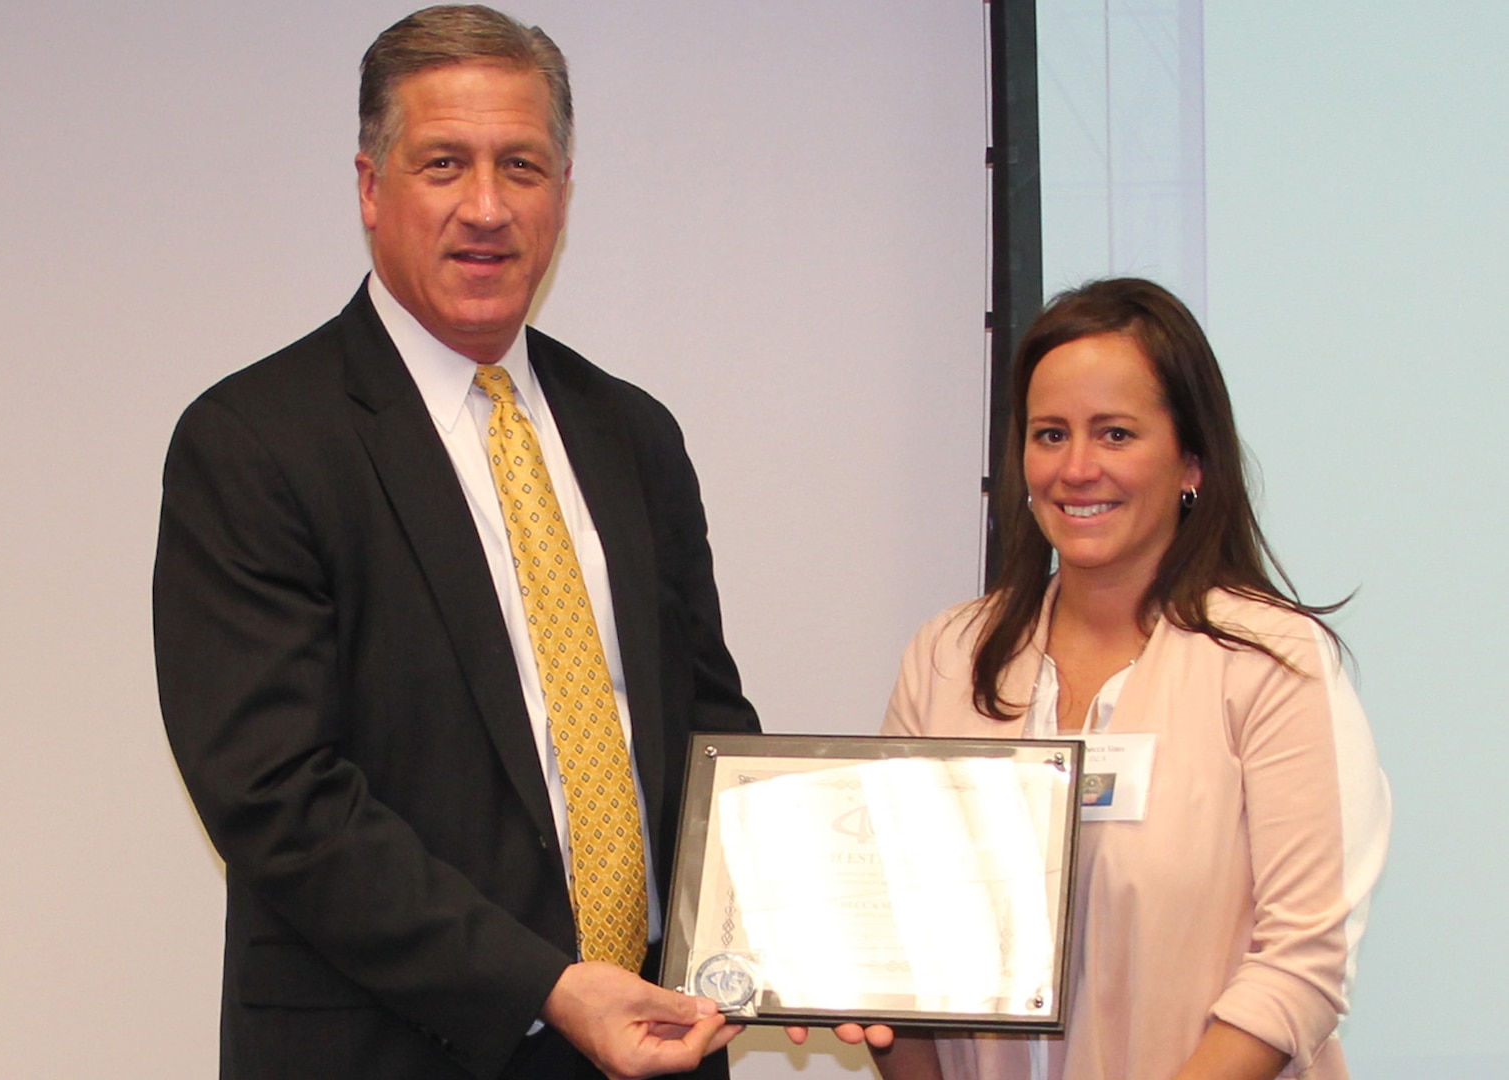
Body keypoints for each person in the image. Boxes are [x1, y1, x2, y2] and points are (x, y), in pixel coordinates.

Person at [152, 7, 759, 1079]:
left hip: (653, 1044)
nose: (487, 207)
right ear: (370, 186)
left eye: (521, 165)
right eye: (444, 163)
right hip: (392, 1047)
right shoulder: (252, 440)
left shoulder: (634, 434)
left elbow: (707, 727)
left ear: (564, 191)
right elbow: (276, 794)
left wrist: (784, 940)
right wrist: (545, 988)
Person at [872, 279, 1390, 1080]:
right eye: (1050, 435)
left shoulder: (1272, 662)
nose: (1077, 469)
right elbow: (896, 957)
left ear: (1191, 460)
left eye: (1115, 434)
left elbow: (1301, 966)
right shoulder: (946, 659)